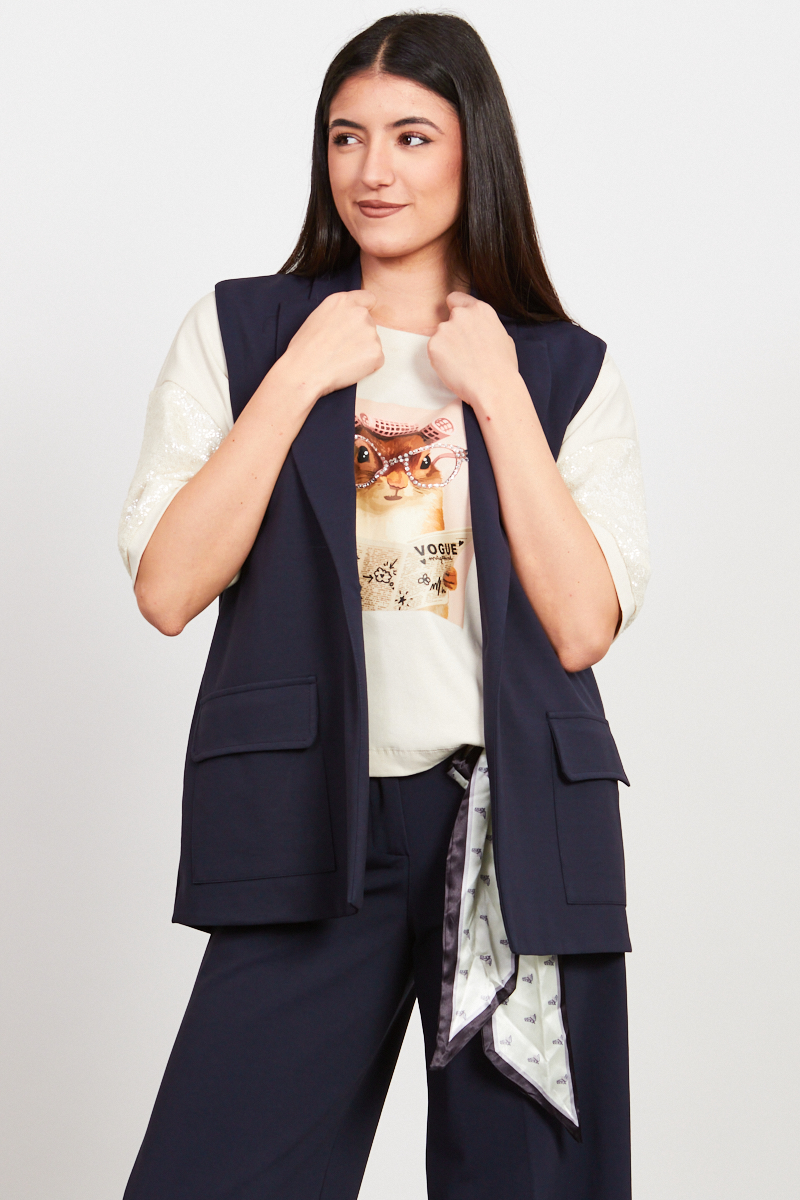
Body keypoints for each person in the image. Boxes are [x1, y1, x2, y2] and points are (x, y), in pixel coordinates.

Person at [118, 12, 650, 1199]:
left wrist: (497, 395)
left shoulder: (563, 367)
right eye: (345, 137)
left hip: (515, 834)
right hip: (311, 814)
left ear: (473, 152)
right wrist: (298, 378)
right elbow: (168, 586)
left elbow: (579, 624)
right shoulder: (243, 331)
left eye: (411, 136)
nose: (372, 170)